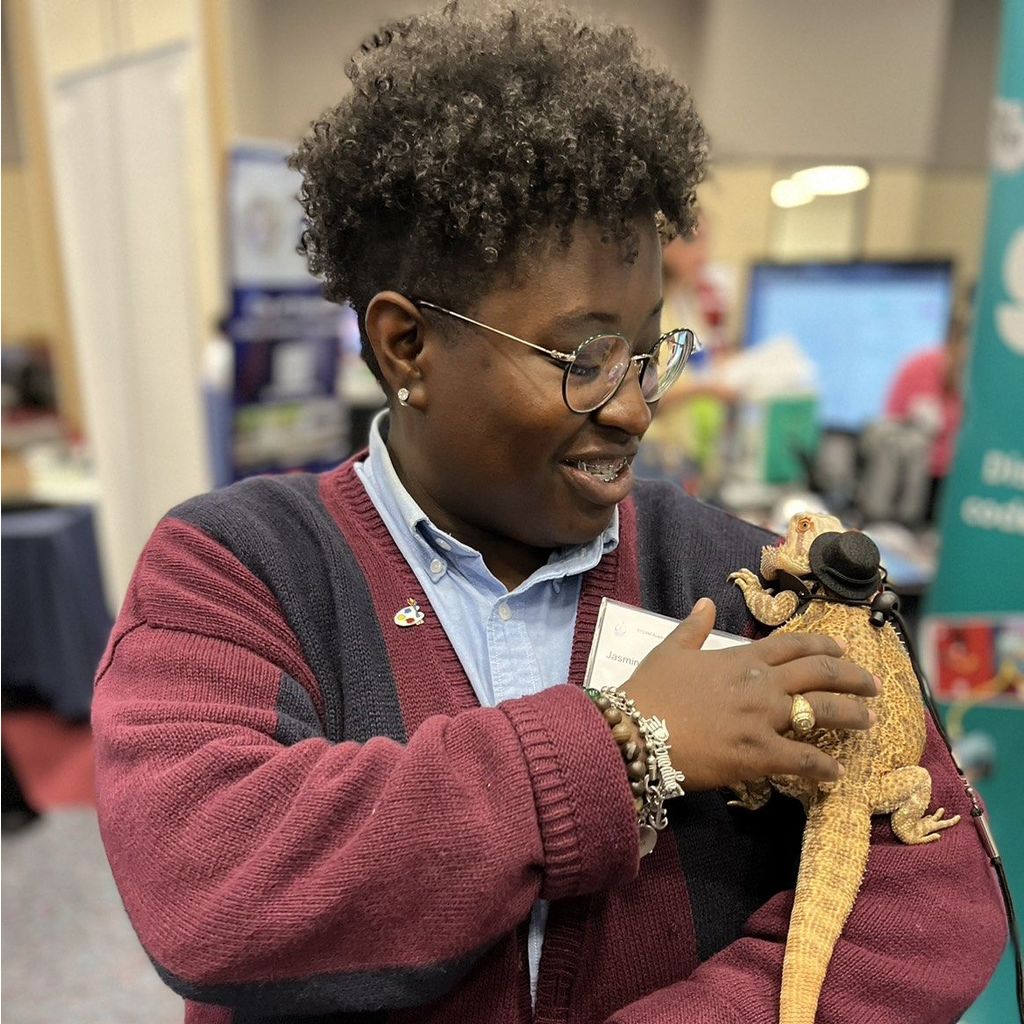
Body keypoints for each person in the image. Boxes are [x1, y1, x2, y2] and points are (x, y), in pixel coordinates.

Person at [91, 4, 1006, 1022]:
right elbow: (213, 889)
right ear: (406, 346)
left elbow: (933, 899)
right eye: (582, 358)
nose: (634, 407)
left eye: (648, 351)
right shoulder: (236, 569)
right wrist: (628, 744)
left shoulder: (745, 581)